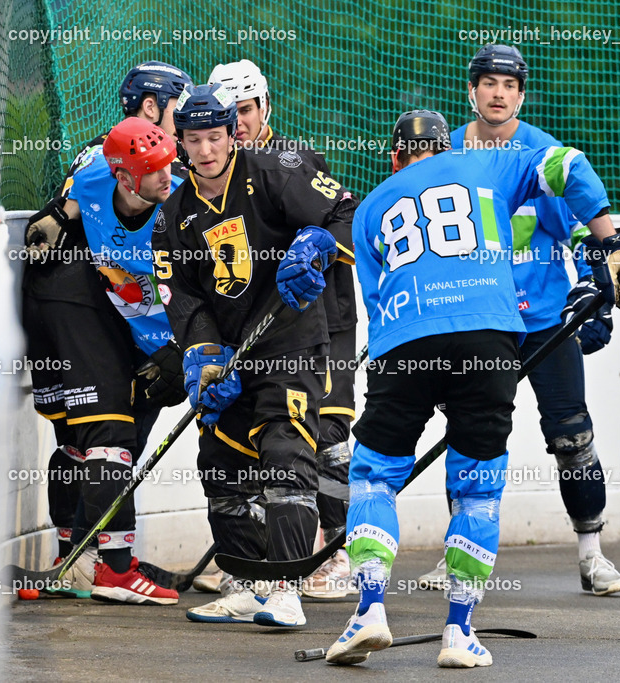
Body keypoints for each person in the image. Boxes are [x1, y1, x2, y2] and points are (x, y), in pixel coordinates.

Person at [325, 110, 620, 667]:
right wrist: (612, 246)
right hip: (489, 339)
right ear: (448, 148)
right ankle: (459, 634)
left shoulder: (372, 204)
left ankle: (369, 611)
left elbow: (377, 306)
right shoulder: (488, 166)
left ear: (396, 158)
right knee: (477, 487)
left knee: (375, 475)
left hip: (405, 339)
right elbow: (568, 165)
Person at [417, 44, 620, 596]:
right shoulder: (446, 153)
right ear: (472, 91)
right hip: (479, 322)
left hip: (547, 322)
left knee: (572, 434)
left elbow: (578, 227)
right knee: (469, 436)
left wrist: (596, 292)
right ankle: (458, 556)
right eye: (488, 82)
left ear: (521, 95)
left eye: (509, 85)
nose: (498, 93)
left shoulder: (543, 152)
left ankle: (592, 554)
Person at [152, 83, 356, 627]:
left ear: (231, 134)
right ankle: (246, 583)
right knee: (220, 462)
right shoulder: (172, 217)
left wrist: (316, 245)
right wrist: (202, 358)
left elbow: (344, 212)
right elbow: (184, 298)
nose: (205, 150)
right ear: (180, 142)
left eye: (214, 137)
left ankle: (285, 587)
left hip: (291, 341)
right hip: (232, 355)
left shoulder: (275, 171)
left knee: (286, 450)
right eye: (193, 140)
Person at [206, 59, 358, 599]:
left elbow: (348, 217)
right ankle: (259, 557)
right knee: (246, 439)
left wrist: (319, 243)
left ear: (265, 107)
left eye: (247, 109)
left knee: (328, 436)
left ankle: (335, 552)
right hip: (261, 332)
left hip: (324, 320)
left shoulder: (290, 160)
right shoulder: (212, 174)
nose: (240, 121)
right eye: (231, 112)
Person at [21, 113, 187, 605]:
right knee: (99, 438)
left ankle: (85, 560)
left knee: (100, 440)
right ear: (123, 177)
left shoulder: (182, 204)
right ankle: (106, 565)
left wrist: (187, 349)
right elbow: (65, 209)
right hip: (108, 320)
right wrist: (53, 219)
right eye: (154, 169)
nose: (167, 175)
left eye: (169, 164)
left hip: (167, 337)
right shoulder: (95, 175)